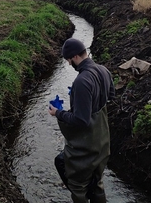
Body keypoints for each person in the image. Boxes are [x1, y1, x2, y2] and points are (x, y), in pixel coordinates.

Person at [48, 38, 115, 203]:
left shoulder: (81, 81)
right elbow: (110, 96)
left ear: (75, 56)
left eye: (69, 60)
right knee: (97, 183)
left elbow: (81, 120)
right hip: (103, 142)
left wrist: (58, 113)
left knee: (78, 186)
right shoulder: (104, 70)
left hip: (86, 147)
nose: (70, 64)